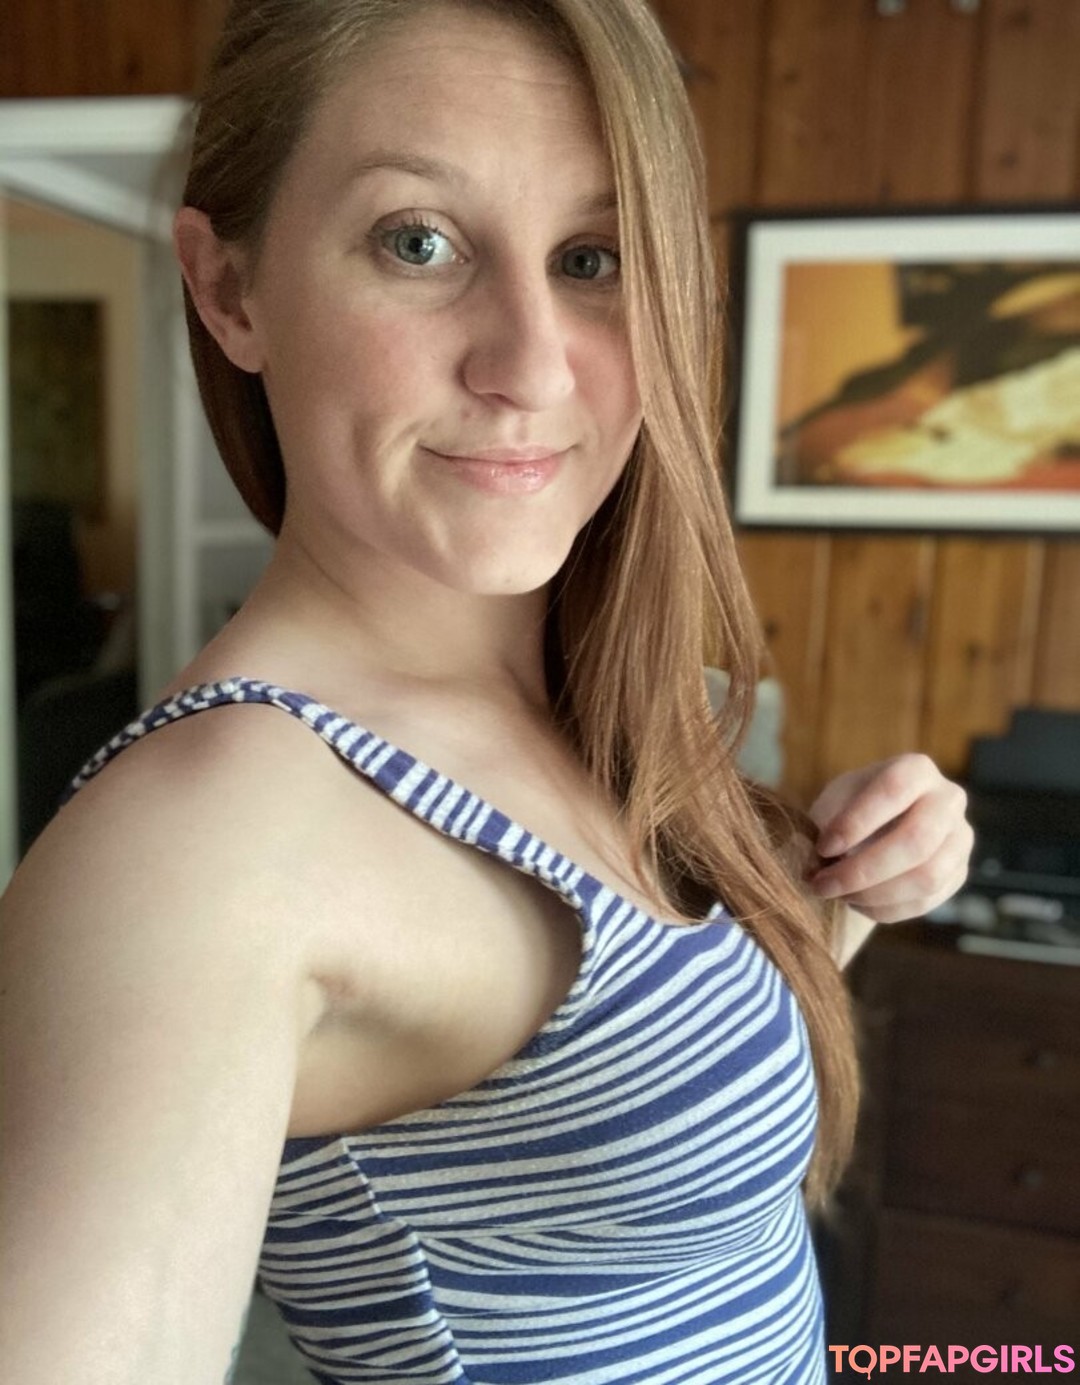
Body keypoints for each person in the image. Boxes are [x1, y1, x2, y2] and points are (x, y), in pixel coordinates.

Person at [0, 2, 973, 1382]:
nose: (531, 363)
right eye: (419, 242)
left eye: (592, 258)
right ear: (230, 291)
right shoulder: (211, 842)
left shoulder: (588, 698)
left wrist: (844, 894)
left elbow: (624, 1099)